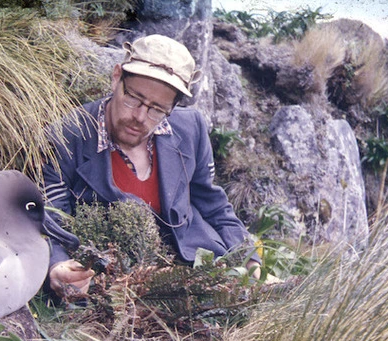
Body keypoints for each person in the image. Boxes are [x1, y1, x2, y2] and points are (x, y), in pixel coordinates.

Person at [43, 34, 268, 296]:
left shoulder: (191, 127)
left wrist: (248, 257)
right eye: (133, 98)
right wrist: (57, 265)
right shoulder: (65, 137)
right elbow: (48, 217)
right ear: (117, 77)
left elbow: (212, 204)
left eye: (157, 109)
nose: (139, 117)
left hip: (200, 269)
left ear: (172, 108)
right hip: (115, 286)